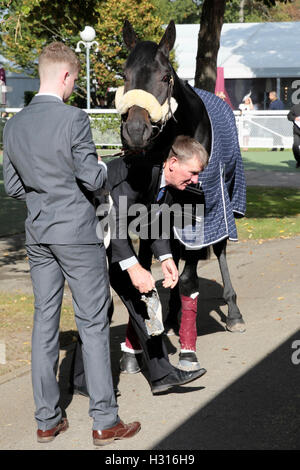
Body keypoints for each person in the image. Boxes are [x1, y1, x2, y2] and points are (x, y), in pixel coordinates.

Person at [3, 41, 141, 446]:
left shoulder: (13, 124)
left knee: (44, 320)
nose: (72, 88)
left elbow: (13, 186)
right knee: (93, 322)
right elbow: (93, 179)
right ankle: (104, 420)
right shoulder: (74, 119)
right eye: (74, 80)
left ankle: (46, 419)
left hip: (38, 233)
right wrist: (98, 167)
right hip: (77, 235)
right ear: (65, 75)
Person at [72, 135, 208, 394]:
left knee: (141, 298)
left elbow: (151, 219)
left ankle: (161, 374)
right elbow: (114, 219)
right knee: (99, 307)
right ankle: (81, 379)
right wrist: (134, 267)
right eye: (192, 173)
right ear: (172, 163)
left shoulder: (167, 183)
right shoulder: (141, 172)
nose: (195, 181)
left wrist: (166, 257)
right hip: (88, 229)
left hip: (109, 230)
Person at [287, 103, 300, 168]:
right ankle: (299, 161)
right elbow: (289, 116)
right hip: (297, 131)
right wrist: (295, 118)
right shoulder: (295, 107)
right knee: (295, 146)